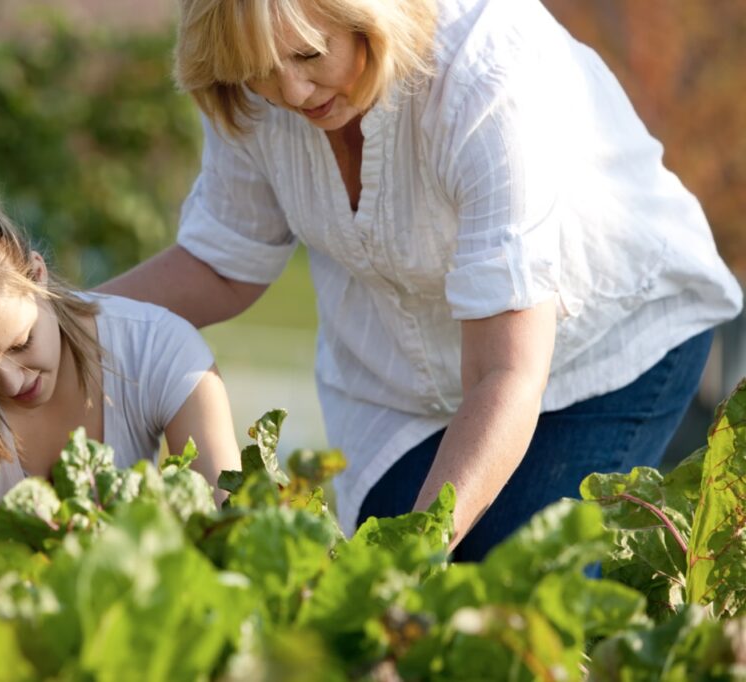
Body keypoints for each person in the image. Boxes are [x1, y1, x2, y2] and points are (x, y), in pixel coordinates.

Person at [98, 0, 744, 560]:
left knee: (509, 589)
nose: (291, 92)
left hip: (603, 351)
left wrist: (413, 556)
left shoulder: (485, 76)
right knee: (393, 611)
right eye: (262, 70)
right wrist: (58, 315)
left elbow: (506, 374)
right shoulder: (248, 86)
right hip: (400, 384)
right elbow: (224, 262)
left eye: (308, 54)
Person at [0, 168, 241, 580]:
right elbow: (2, 580)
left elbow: (226, 533)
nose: (12, 383)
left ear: (37, 275)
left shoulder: (162, 350)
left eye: (20, 343)